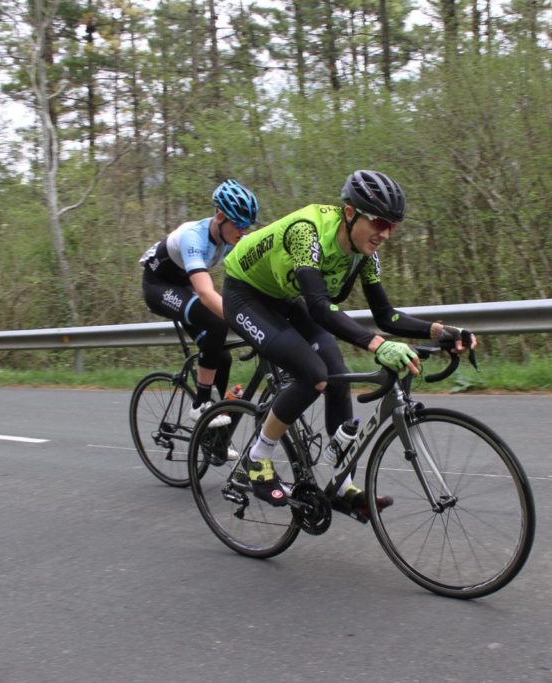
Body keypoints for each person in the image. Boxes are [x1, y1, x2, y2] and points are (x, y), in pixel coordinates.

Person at [221, 170, 476, 515]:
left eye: (393, 226)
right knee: (313, 374)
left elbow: (386, 315)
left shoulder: (365, 253)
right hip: (245, 294)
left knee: (336, 376)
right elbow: (321, 309)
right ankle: (258, 457)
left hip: (283, 296)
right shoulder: (306, 232)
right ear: (350, 212)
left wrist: (441, 333)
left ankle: (342, 487)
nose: (385, 234)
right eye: (379, 223)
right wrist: (377, 345)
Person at [140, 179, 260, 426]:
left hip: (183, 286)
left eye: (247, 226)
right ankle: (200, 406)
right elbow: (205, 293)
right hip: (159, 287)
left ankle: (210, 434)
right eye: (238, 224)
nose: (242, 232)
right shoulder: (193, 237)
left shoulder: (231, 241)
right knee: (217, 324)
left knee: (221, 356)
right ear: (219, 216)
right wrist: (243, 320)